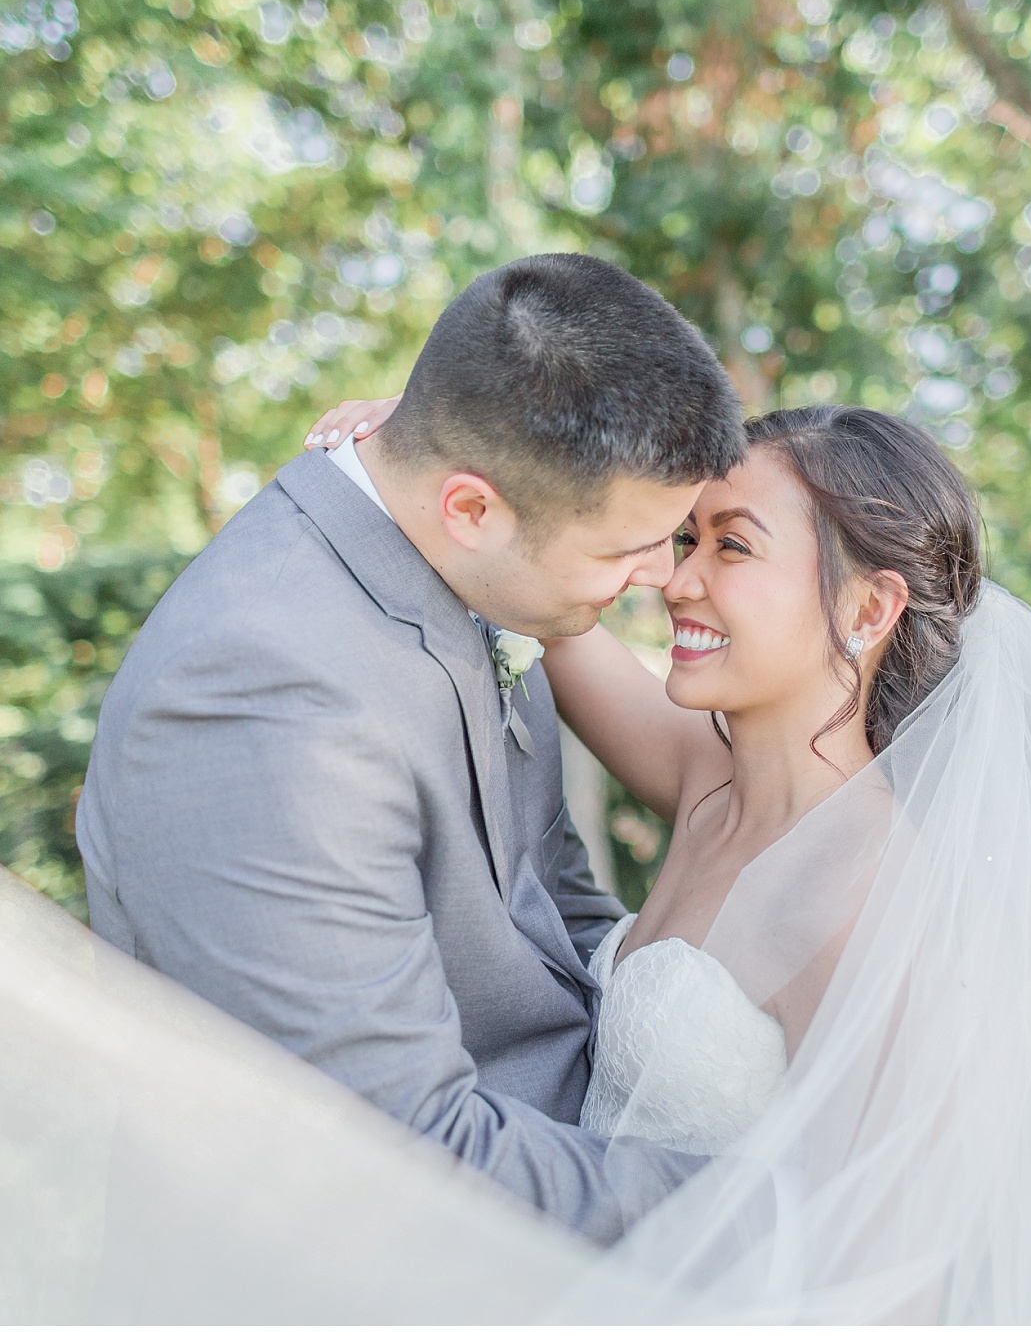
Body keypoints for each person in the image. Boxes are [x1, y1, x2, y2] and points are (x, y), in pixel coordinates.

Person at [312, 401, 1031, 1321]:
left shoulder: (874, 898)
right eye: (684, 538)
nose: (675, 578)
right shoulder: (707, 779)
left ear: (869, 608)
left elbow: (889, 1277)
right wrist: (418, 454)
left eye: (731, 544)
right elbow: (549, 597)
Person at [78, 253, 744, 1243]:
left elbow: (544, 902)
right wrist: (772, 1196)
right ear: (471, 509)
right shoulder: (263, 696)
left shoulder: (446, 566)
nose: (658, 575)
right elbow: (392, 1159)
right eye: (625, 548)